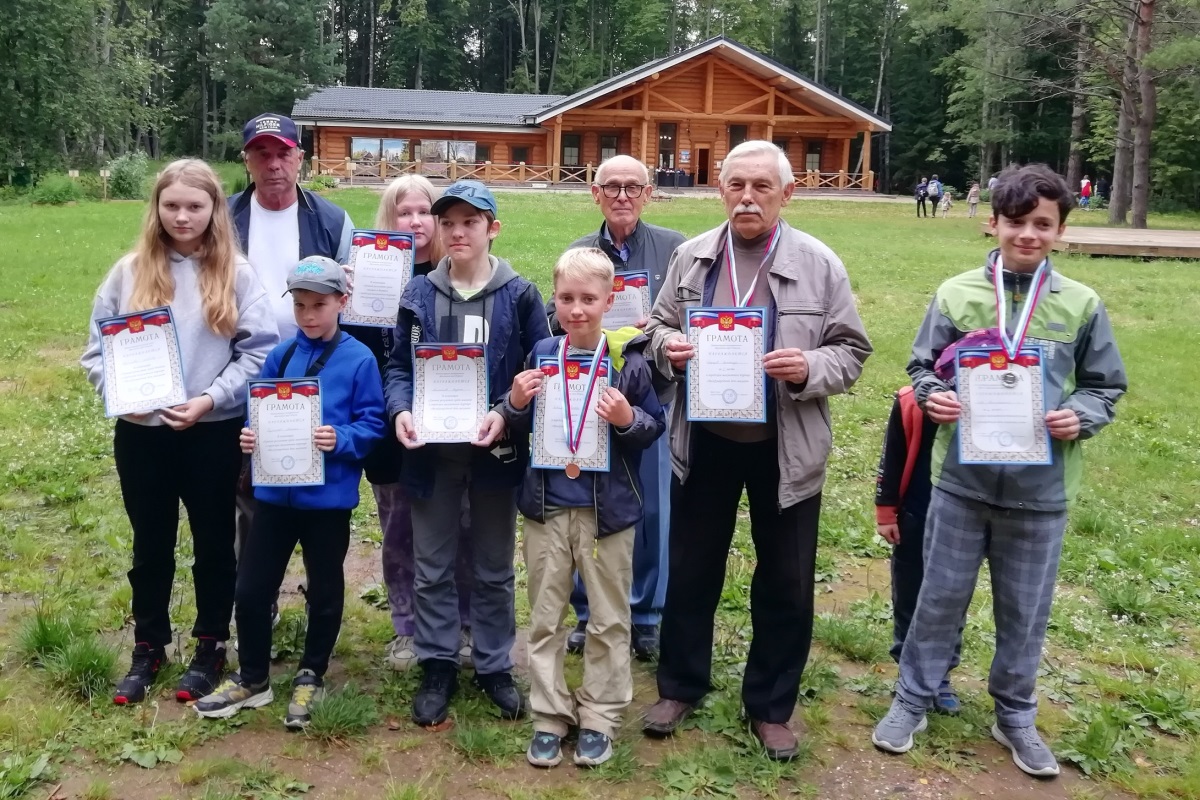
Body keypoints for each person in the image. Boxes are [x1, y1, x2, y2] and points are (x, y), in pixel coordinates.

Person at [871, 164, 1127, 778]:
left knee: (1024, 609)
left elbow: (1105, 385)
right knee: (938, 597)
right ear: (994, 223)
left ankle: (1014, 712)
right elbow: (922, 365)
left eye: (1043, 224)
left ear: (1062, 229)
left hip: (1041, 493)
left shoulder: (1081, 305)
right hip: (961, 483)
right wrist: (937, 396)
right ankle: (914, 697)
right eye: (1017, 222)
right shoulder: (956, 293)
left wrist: (1079, 416)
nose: (1029, 235)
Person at [642, 140, 872, 761]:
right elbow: (655, 328)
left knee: (788, 582)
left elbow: (852, 350)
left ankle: (771, 707)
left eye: (761, 186)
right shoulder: (692, 257)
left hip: (785, 449)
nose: (747, 197)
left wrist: (807, 366)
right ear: (720, 191)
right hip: (705, 441)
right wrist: (670, 349)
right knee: (691, 571)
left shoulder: (820, 264)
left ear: (787, 194)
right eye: (735, 185)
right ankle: (680, 685)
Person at [81, 159, 278, 705]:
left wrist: (210, 399)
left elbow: (259, 351)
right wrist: (123, 394)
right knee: (151, 543)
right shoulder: (128, 273)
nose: (182, 216)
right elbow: (96, 351)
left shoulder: (236, 273)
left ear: (215, 208)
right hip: (142, 434)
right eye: (172, 206)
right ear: (157, 208)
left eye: (195, 206)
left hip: (210, 431)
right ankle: (149, 645)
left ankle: (211, 644)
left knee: (215, 542)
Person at [384, 180, 551, 726]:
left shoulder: (519, 295)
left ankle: (494, 663)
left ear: (492, 228)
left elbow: (539, 370)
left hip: (494, 453)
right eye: (448, 222)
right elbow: (398, 368)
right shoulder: (416, 295)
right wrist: (400, 409)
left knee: (494, 567)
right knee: (431, 565)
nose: (457, 232)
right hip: (432, 453)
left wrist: (507, 410)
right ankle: (437, 663)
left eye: (470, 222)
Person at [194, 257, 386, 728]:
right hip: (275, 499)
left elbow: (373, 423)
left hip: (327, 502)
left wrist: (340, 439)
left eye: (319, 305)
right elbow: (258, 413)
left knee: (324, 588)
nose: (308, 315)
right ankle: (254, 677)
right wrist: (250, 438)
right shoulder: (279, 356)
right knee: (252, 587)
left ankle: (311, 672)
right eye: (300, 305)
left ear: (343, 302)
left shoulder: (359, 359)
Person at [509, 248, 666, 768]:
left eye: (588, 299)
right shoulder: (539, 353)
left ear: (609, 300)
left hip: (608, 516)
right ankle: (550, 715)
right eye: (567, 298)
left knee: (607, 619)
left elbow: (652, 427)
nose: (577, 309)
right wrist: (514, 403)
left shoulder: (627, 363)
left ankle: (599, 714)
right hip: (546, 511)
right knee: (546, 617)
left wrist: (626, 418)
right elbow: (513, 424)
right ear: (554, 299)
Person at [554, 155, 686, 662]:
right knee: (588, 509)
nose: (623, 196)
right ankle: (590, 614)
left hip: (652, 402)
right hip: (587, 403)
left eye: (633, 187)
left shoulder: (674, 248)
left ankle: (647, 614)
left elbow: (683, 316)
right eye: (612, 186)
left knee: (651, 511)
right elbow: (558, 312)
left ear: (648, 194)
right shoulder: (578, 251)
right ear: (596, 192)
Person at [228, 112, 356, 599]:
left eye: (283, 152)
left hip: (316, 376)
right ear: (248, 161)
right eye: (262, 153)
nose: (274, 164)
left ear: (300, 158)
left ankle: (320, 591)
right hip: (241, 371)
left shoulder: (331, 219)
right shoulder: (225, 217)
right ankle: (256, 602)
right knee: (249, 492)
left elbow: (353, 300)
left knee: (317, 494)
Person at [360, 177, 477, 674]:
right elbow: (363, 354)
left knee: (464, 523)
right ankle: (408, 625)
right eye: (403, 212)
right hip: (394, 422)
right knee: (399, 525)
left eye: (425, 211)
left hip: (455, 423)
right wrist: (349, 295)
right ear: (389, 220)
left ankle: (466, 623)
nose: (415, 222)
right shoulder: (370, 276)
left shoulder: (461, 272)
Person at [874, 386, 962, 714]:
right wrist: (886, 511)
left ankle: (941, 675)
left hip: (960, 523)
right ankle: (907, 669)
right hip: (915, 516)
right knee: (909, 595)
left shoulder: (988, 392)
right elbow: (892, 458)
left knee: (951, 598)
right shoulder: (910, 400)